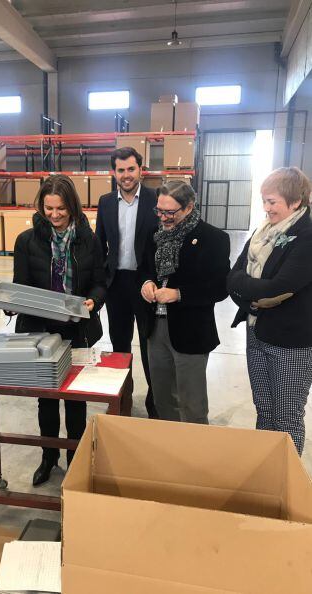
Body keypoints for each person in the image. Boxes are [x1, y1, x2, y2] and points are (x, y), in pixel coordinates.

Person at [12, 174, 106, 486]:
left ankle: (75, 458)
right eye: (48, 208)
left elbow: (100, 281)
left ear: (73, 207)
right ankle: (48, 456)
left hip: (77, 329)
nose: (54, 215)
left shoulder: (88, 240)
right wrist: (11, 302)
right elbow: (21, 286)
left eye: (61, 208)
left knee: (76, 399)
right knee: (47, 399)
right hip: (40, 331)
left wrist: (94, 300)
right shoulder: (26, 241)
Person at [227, 167, 312, 455]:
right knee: (264, 411)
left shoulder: (306, 235)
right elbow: (233, 275)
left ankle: (286, 483)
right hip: (257, 331)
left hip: (292, 344)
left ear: (295, 202)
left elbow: (282, 285)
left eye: (272, 202)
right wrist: (252, 295)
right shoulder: (263, 232)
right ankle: (265, 474)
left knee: (286, 418)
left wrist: (246, 287)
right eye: (264, 201)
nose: (266, 208)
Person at [141, 181, 230, 424]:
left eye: (170, 212)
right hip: (155, 328)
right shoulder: (156, 234)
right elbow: (146, 268)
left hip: (191, 331)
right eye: (159, 211)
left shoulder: (214, 238)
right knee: (162, 399)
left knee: (192, 404)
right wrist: (146, 283)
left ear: (189, 207)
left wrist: (179, 294)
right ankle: (171, 450)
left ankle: (195, 456)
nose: (163, 217)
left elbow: (220, 287)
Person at [96, 147, 159, 418]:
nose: (126, 175)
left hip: (145, 284)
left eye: (131, 169)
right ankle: (123, 402)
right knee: (119, 345)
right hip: (116, 284)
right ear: (114, 173)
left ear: (140, 170)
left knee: (149, 346)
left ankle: (154, 405)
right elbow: (99, 243)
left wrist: (156, 281)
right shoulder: (106, 202)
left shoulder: (156, 200)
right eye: (120, 170)